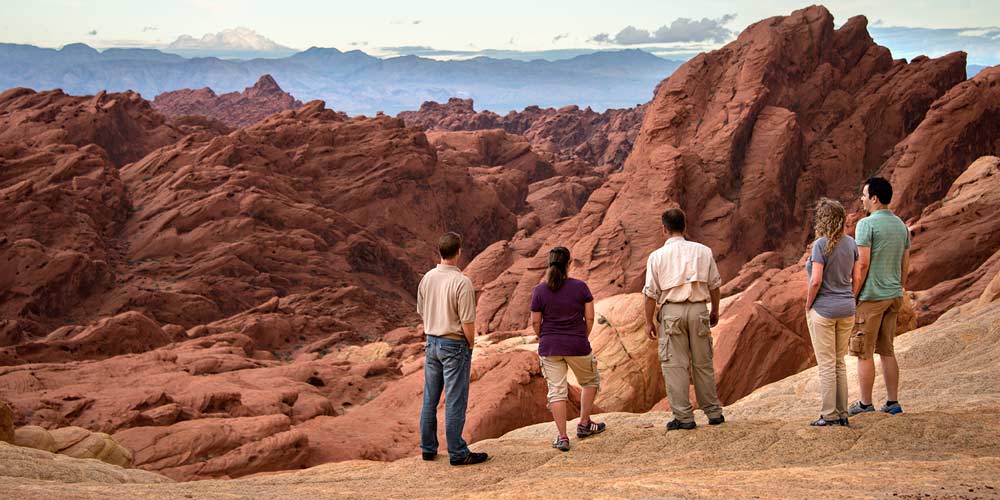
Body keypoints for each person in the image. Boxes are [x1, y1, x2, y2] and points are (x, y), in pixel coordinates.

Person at [643, 208, 725, 430]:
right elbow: (715, 285)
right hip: (698, 309)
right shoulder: (703, 251)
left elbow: (650, 293)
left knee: (675, 365)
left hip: (672, 313)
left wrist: (649, 321)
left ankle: (684, 417)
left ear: (664, 229)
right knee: (703, 363)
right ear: (685, 226)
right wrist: (714, 310)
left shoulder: (656, 256)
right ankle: (713, 412)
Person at [417, 232, 488, 465]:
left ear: (440, 252)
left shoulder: (427, 278)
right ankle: (457, 453)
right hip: (454, 344)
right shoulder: (462, 283)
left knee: (430, 398)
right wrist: (470, 345)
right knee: (455, 400)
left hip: (432, 342)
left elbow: (421, 310)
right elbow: (467, 322)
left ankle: (428, 449)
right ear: (459, 251)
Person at [530, 246, 606, 452]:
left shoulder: (540, 290)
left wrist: (544, 337)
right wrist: (581, 336)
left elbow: (536, 323)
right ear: (569, 264)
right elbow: (589, 318)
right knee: (590, 381)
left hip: (550, 346)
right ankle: (584, 424)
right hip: (577, 344)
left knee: (556, 391)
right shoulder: (580, 287)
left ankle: (562, 437)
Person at [849, 177, 910, 416]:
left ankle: (865, 403)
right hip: (894, 295)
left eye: (864, 195)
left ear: (874, 198)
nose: (862, 199)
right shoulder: (900, 225)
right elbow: (906, 263)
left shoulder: (866, 225)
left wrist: (854, 295)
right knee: (887, 350)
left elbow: (862, 264)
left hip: (872, 296)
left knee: (863, 352)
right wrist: (899, 289)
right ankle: (893, 402)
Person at [805, 198, 858, 427]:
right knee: (839, 362)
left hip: (824, 309)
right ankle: (842, 413)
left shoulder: (821, 245)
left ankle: (829, 415)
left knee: (826, 364)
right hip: (846, 308)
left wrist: (808, 304)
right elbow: (856, 277)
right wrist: (850, 297)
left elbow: (816, 280)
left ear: (823, 220)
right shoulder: (851, 244)